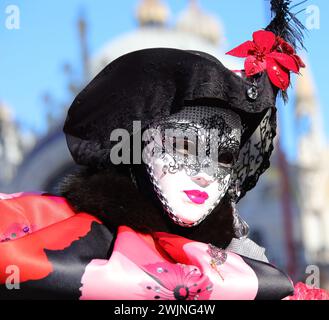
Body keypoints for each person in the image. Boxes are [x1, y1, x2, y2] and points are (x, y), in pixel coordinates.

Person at [0, 0, 328, 300]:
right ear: (137, 145)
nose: (204, 173)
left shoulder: (249, 264)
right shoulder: (50, 236)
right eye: (184, 145)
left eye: (224, 156)